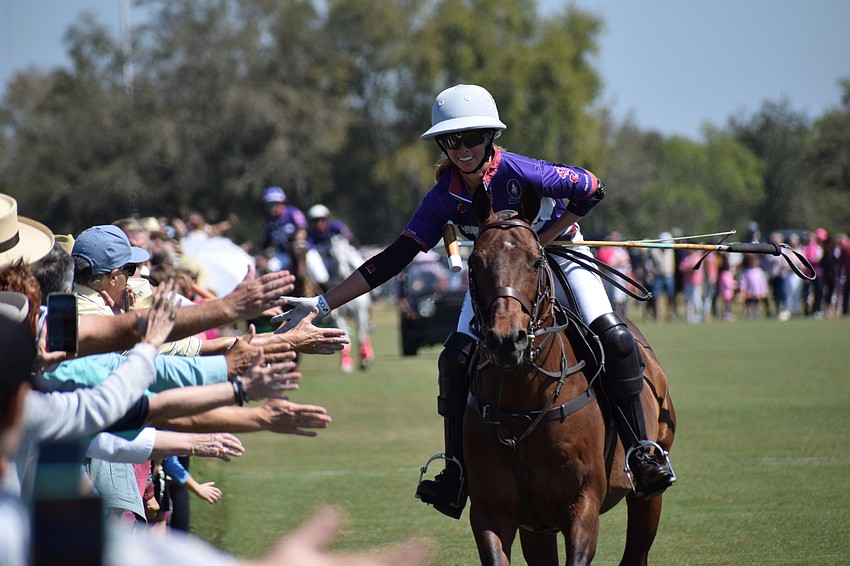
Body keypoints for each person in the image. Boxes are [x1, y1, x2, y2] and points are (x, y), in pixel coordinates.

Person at [274, 84, 675, 518]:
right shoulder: (443, 196)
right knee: (454, 358)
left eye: (471, 138)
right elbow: (394, 258)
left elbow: (592, 188)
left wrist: (543, 238)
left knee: (613, 336)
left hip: (562, 250)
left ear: (490, 137)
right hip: (500, 274)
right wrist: (322, 305)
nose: (461, 149)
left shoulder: (524, 171)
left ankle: (640, 450)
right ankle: (456, 471)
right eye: (451, 141)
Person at [306, 204, 374, 372]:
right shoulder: (312, 236)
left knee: (356, 260)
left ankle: (371, 285)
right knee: (319, 272)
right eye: (315, 221)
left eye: (321, 220)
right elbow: (309, 249)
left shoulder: (335, 227)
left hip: (344, 254)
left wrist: (342, 243)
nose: (319, 223)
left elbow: (348, 236)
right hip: (331, 270)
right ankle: (346, 356)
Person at [260, 186, 309, 273]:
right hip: (283, 254)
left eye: (274, 204)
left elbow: (302, 230)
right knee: (269, 269)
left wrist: (297, 241)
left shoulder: (293, 212)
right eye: (268, 205)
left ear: (282, 203)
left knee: (320, 276)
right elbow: (264, 243)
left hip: (303, 251)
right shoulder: (269, 223)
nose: (271, 208)